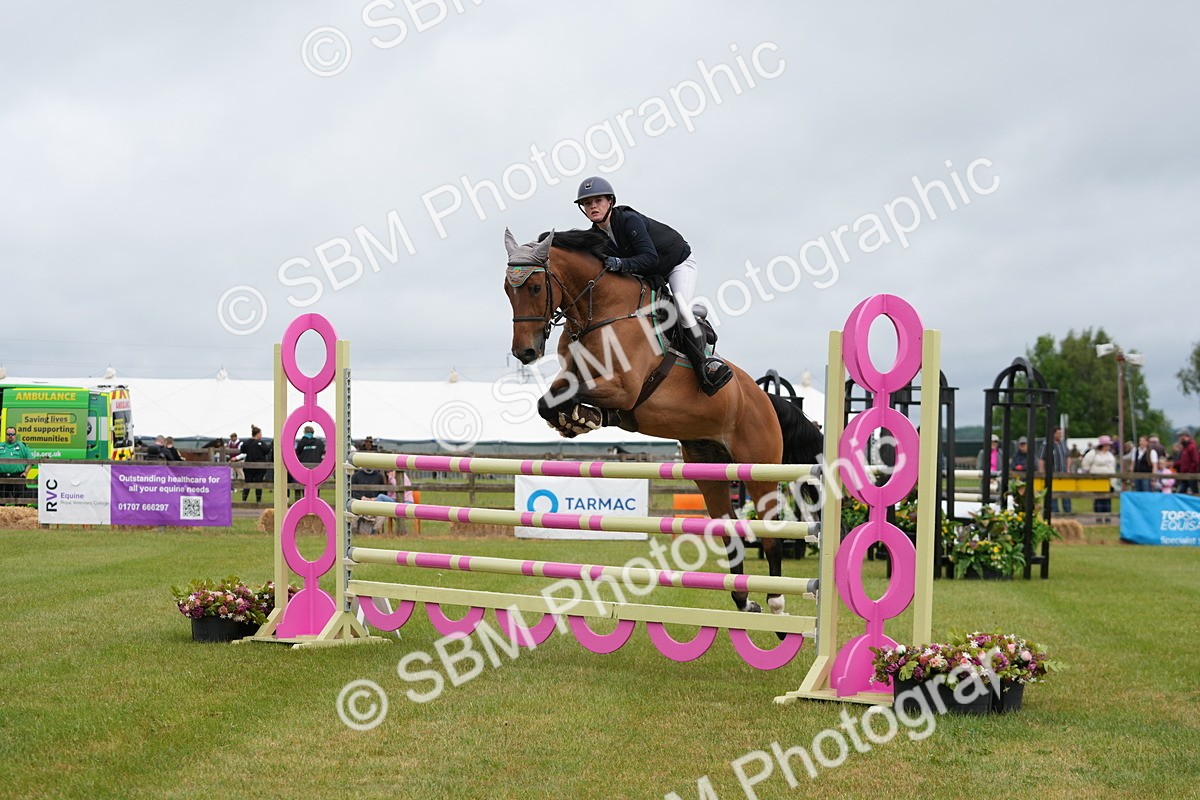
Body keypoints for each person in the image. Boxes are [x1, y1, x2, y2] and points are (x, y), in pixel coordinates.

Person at [572, 176, 733, 396]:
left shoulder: (629, 220)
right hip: (650, 273)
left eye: (597, 200)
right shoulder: (596, 236)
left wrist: (620, 263)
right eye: (587, 203)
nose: (592, 206)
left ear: (610, 201)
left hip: (676, 263)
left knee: (681, 310)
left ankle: (707, 364)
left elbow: (650, 258)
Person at [1038, 426, 1073, 513]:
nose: (1060, 435)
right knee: (1053, 495)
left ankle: (1068, 512)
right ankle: (1054, 513)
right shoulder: (1046, 444)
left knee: (1066, 495)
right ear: (1053, 434)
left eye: (1060, 433)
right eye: (1058, 433)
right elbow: (1041, 459)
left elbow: (1068, 457)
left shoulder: (1063, 443)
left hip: (1063, 474)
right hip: (1052, 475)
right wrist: (1041, 472)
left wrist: (1068, 468)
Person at [1081, 436, 1118, 517]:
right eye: (1107, 445)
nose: (1108, 447)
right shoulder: (1093, 453)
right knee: (1099, 498)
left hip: (1109, 481)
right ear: (1103, 445)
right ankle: (1098, 516)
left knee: (1107, 499)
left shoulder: (1110, 455)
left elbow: (1113, 466)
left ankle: (1107, 516)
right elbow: (1085, 464)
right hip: (1097, 481)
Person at [351, 465, 388, 535]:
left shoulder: (379, 476)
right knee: (352, 513)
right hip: (360, 503)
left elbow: (383, 492)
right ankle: (354, 531)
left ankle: (374, 531)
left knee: (382, 515)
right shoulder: (356, 476)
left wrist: (376, 498)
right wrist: (361, 497)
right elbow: (352, 491)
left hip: (374, 503)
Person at [239, 425, 272, 503]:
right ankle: (258, 501)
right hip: (260, 467)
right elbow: (267, 450)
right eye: (260, 433)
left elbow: (242, 450)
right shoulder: (261, 443)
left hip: (248, 467)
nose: (261, 435)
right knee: (258, 484)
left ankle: (244, 500)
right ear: (257, 434)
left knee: (248, 483)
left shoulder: (246, 442)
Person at [293, 425, 326, 500]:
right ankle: (316, 500)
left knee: (302, 484)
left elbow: (297, 453)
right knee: (315, 484)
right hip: (316, 467)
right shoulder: (319, 442)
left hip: (303, 467)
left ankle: (301, 500)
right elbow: (322, 451)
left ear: (304, 432)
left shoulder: (301, 442)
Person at [0, 426, 33, 502]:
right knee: (1, 503)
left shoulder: (22, 446)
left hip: (17, 477)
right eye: (8, 434)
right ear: (5, 435)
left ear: (16, 435)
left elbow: (30, 461)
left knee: (21, 502)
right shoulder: (1, 446)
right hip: (2, 477)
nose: (10, 436)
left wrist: (25, 473)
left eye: (12, 434)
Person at [1176, 429, 1199, 495]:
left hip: (1191, 475)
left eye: (1180, 436)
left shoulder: (1192, 446)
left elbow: (1195, 461)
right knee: (1181, 493)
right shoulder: (1185, 447)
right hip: (1185, 474)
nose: (1179, 438)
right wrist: (1174, 464)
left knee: (1194, 493)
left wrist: (1190, 471)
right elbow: (1184, 461)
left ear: (1185, 436)